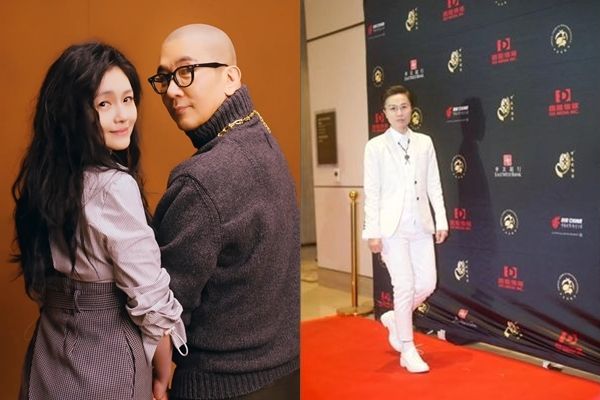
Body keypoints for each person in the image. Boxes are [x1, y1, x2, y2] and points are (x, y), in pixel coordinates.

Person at [12, 42, 187, 400]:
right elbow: (151, 299)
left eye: (127, 99)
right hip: (107, 359)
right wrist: (161, 373)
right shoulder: (114, 186)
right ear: (71, 112)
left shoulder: (44, 182)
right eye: (104, 104)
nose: (123, 116)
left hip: (47, 353)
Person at [148, 24, 299, 399]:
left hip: (219, 384)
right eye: (164, 78)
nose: (172, 90)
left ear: (231, 78)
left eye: (186, 71)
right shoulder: (263, 139)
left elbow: (163, 311)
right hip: (284, 373)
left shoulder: (200, 179)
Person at [362, 85, 448, 373]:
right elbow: (372, 192)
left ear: (412, 109)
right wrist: (372, 232)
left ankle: (393, 319)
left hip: (421, 225)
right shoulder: (375, 147)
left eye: (403, 107)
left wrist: (441, 220)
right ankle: (407, 349)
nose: (399, 113)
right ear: (384, 113)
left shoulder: (424, 143)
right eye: (393, 108)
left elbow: (434, 183)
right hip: (391, 229)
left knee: (427, 283)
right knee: (404, 285)